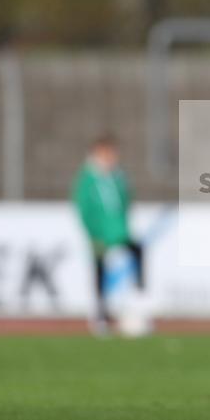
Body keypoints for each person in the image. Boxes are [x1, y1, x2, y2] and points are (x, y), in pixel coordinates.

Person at [71, 134, 144, 335]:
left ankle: (137, 301)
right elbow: (84, 208)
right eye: (108, 153)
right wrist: (94, 232)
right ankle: (100, 316)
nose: (112, 157)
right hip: (100, 234)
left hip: (119, 231)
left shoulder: (117, 176)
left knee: (136, 252)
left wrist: (123, 223)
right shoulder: (88, 179)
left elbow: (125, 199)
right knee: (100, 272)